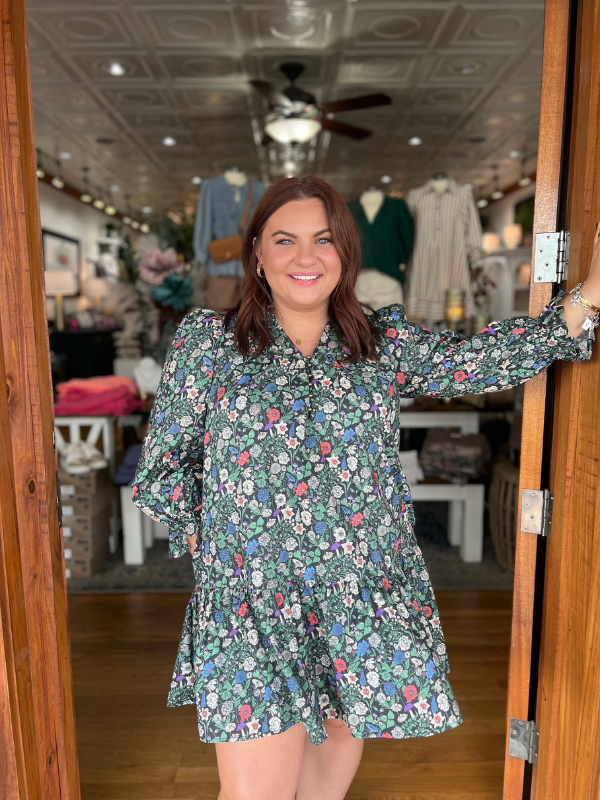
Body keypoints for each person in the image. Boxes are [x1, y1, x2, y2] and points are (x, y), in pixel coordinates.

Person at [131, 176, 599, 800]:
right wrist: (224, 549)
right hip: (252, 611)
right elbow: (163, 468)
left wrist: (590, 293)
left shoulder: (377, 340)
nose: (305, 257)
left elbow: (478, 360)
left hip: (360, 604)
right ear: (257, 256)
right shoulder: (210, 341)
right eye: (285, 240)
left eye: (323, 240)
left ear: (345, 254)